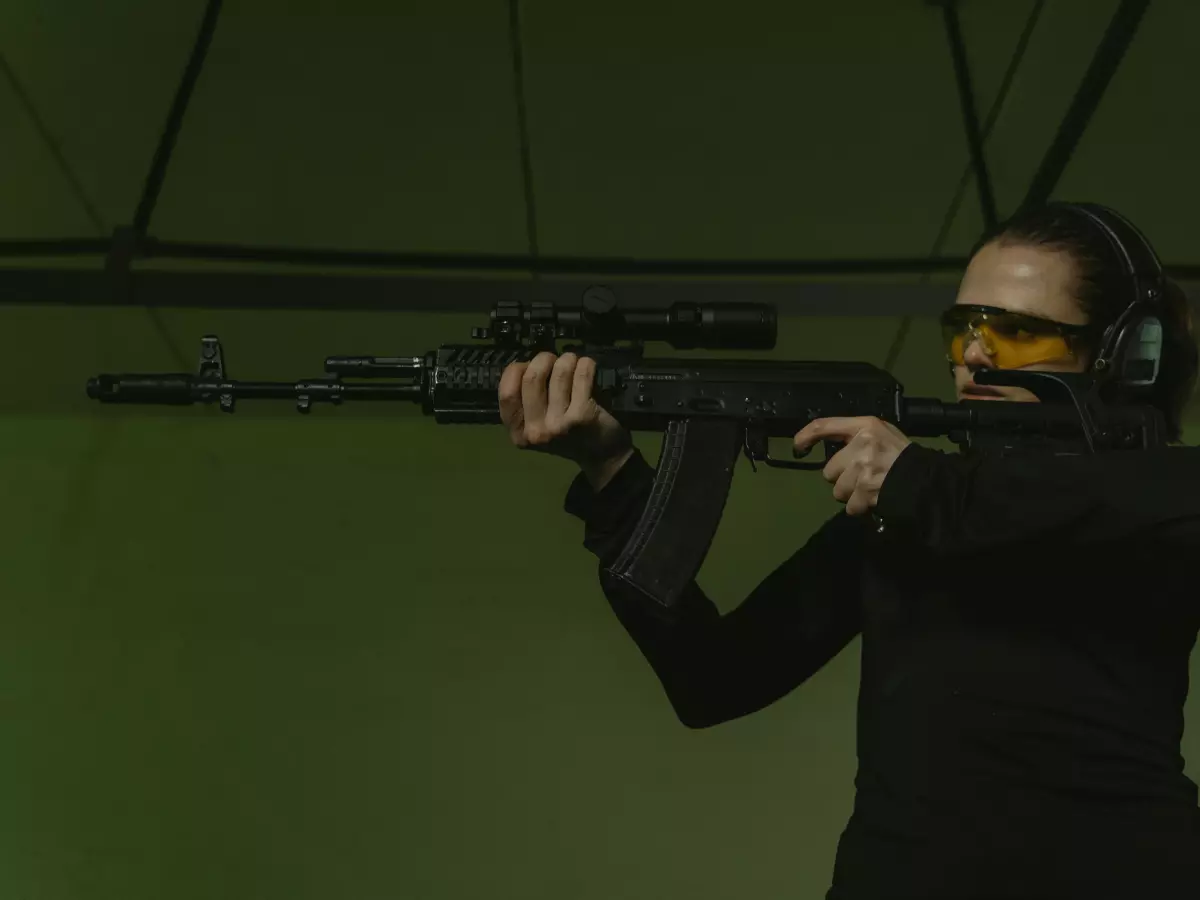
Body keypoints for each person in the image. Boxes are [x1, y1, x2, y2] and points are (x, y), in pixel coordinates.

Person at [496, 202, 1200, 899]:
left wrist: (921, 484)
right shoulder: (906, 514)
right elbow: (714, 679)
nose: (975, 355)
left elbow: (1128, 495)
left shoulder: (1145, 500)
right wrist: (612, 475)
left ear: (1122, 356)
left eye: (1014, 332)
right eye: (963, 330)